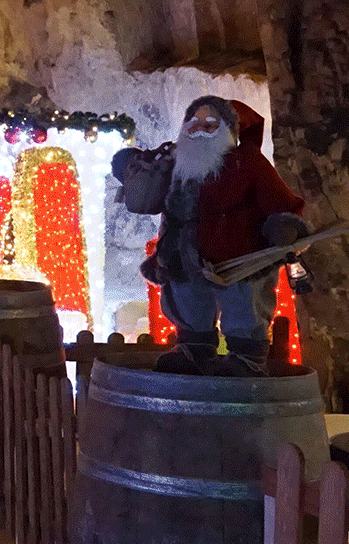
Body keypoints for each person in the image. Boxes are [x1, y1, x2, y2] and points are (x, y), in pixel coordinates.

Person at [114, 96, 308, 376]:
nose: (200, 129)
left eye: (210, 124)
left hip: (239, 257)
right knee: (187, 301)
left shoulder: (248, 163)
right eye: (194, 123)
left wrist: (284, 226)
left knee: (244, 305)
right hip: (183, 254)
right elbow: (149, 191)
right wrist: (132, 169)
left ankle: (246, 358)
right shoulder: (177, 163)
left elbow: (281, 202)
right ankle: (194, 351)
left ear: (228, 130)